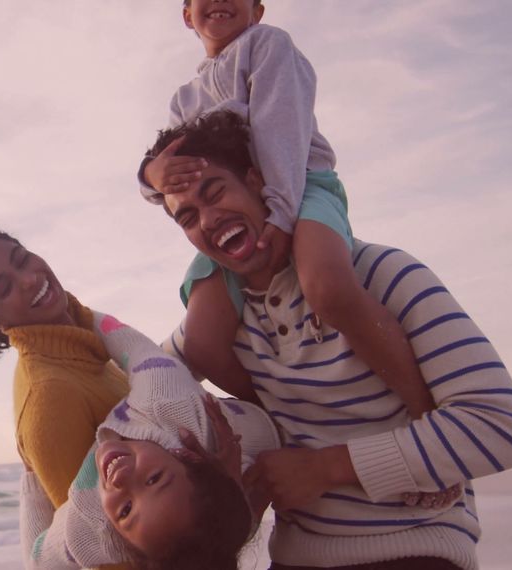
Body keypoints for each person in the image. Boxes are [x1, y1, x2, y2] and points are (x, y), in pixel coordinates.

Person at [150, 110, 512, 570]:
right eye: (188, 217)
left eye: (216, 193)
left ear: (257, 182)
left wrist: (326, 468)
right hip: (294, 557)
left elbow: (502, 428)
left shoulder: (381, 275)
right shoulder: (221, 322)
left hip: (415, 549)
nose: (209, 220)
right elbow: (139, 385)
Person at [139, 0, 436, 423]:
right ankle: (280, 421)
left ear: (257, 10)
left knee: (327, 287)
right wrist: (151, 174)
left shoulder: (268, 44)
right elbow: (173, 175)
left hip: (302, 185)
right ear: (188, 15)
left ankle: (420, 406)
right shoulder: (184, 98)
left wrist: (280, 211)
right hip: (233, 211)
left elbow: (282, 130)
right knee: (202, 344)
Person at [20, 311, 280, 569]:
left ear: (120, 543)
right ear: (187, 456)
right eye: (154, 478)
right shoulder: (166, 396)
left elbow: (38, 561)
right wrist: (79, 311)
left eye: (126, 510)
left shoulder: (90, 523)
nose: (122, 479)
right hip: (261, 424)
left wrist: (31, 474)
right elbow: (131, 345)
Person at [0, 229, 129, 513]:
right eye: (3, 288)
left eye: (21, 260)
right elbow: (96, 542)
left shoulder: (94, 343)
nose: (29, 279)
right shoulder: (49, 396)